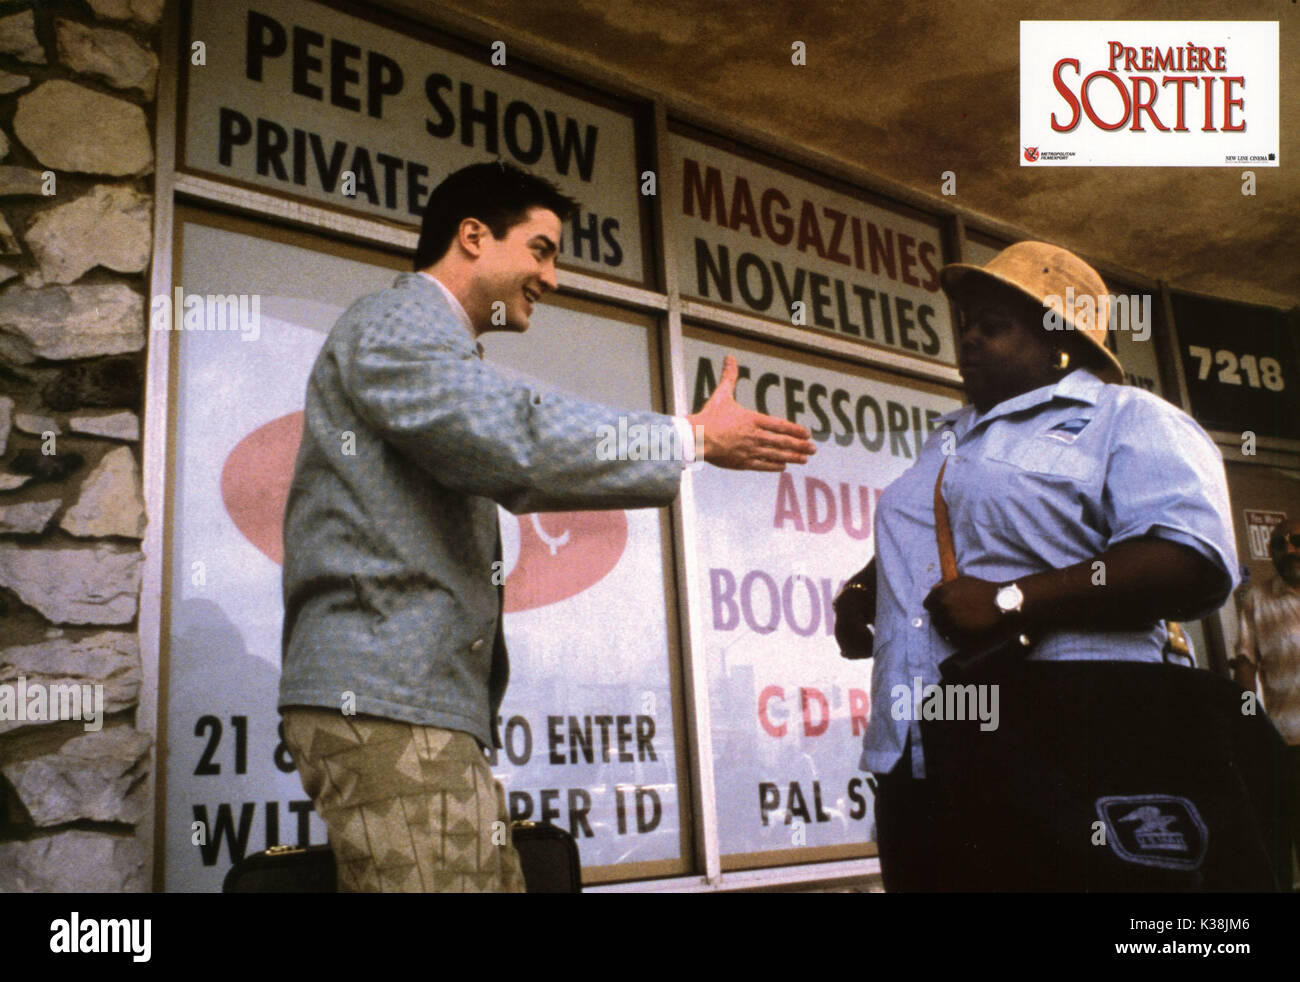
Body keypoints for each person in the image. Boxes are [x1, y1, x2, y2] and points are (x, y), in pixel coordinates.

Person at [277, 161, 815, 892]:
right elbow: (515, 440)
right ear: (473, 237)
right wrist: (689, 439)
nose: (553, 277)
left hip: (409, 707)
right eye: (541, 249)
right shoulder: (396, 322)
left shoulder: (427, 340)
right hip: (387, 703)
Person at [849, 240, 1242, 890]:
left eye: (993, 326)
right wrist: (868, 586)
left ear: (1062, 343)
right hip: (917, 749)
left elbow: (1189, 561)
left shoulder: (1128, 419)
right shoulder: (949, 438)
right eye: (966, 323)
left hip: (1071, 738)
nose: (968, 339)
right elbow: (954, 530)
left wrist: (1013, 599)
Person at [1233, 518, 1300, 877]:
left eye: (1296, 541)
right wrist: (1250, 722)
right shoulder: (1258, 599)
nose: (1288, 550)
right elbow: (1245, 663)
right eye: (1279, 545)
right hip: (1288, 746)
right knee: (1284, 839)